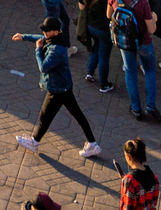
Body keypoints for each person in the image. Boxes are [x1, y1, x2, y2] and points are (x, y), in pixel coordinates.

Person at [14, 17, 101, 160]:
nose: (45, 33)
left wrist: (38, 50)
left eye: (47, 31)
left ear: (55, 31)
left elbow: (43, 67)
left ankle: (34, 142)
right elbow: (40, 38)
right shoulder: (56, 38)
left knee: (45, 116)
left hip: (57, 89)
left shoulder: (56, 50)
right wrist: (23, 37)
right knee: (76, 114)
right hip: (64, 86)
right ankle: (92, 144)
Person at [112, 0, 161, 122]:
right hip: (143, 42)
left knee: (130, 72)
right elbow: (152, 29)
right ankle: (150, 107)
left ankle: (136, 108)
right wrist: (154, 18)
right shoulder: (142, 3)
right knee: (149, 71)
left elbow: (109, 15)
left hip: (125, 42)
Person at [118, 138, 159, 210]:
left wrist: (126, 181)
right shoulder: (152, 175)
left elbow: (128, 207)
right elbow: (154, 201)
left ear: (128, 157)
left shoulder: (129, 181)